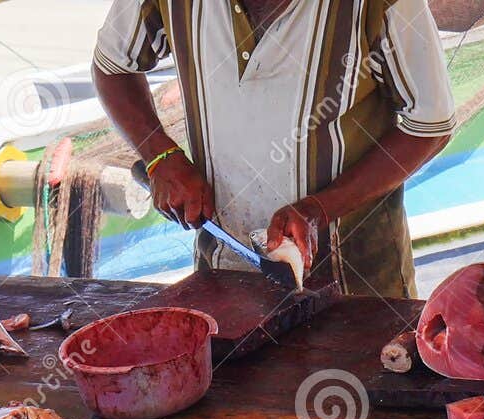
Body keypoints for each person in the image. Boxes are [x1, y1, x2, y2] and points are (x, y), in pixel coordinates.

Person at [92, 0, 456, 298]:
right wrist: (160, 156)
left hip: (357, 286)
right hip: (224, 277)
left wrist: (319, 209)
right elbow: (112, 65)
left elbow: (430, 126)